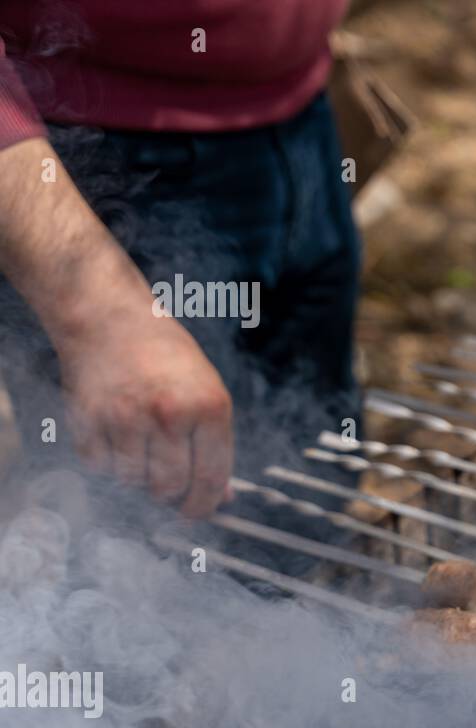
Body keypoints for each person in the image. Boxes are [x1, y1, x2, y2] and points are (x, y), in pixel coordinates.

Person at [0, 1, 358, 518]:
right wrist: (98, 310)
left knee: (310, 495)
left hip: (303, 120)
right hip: (93, 166)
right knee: (147, 543)